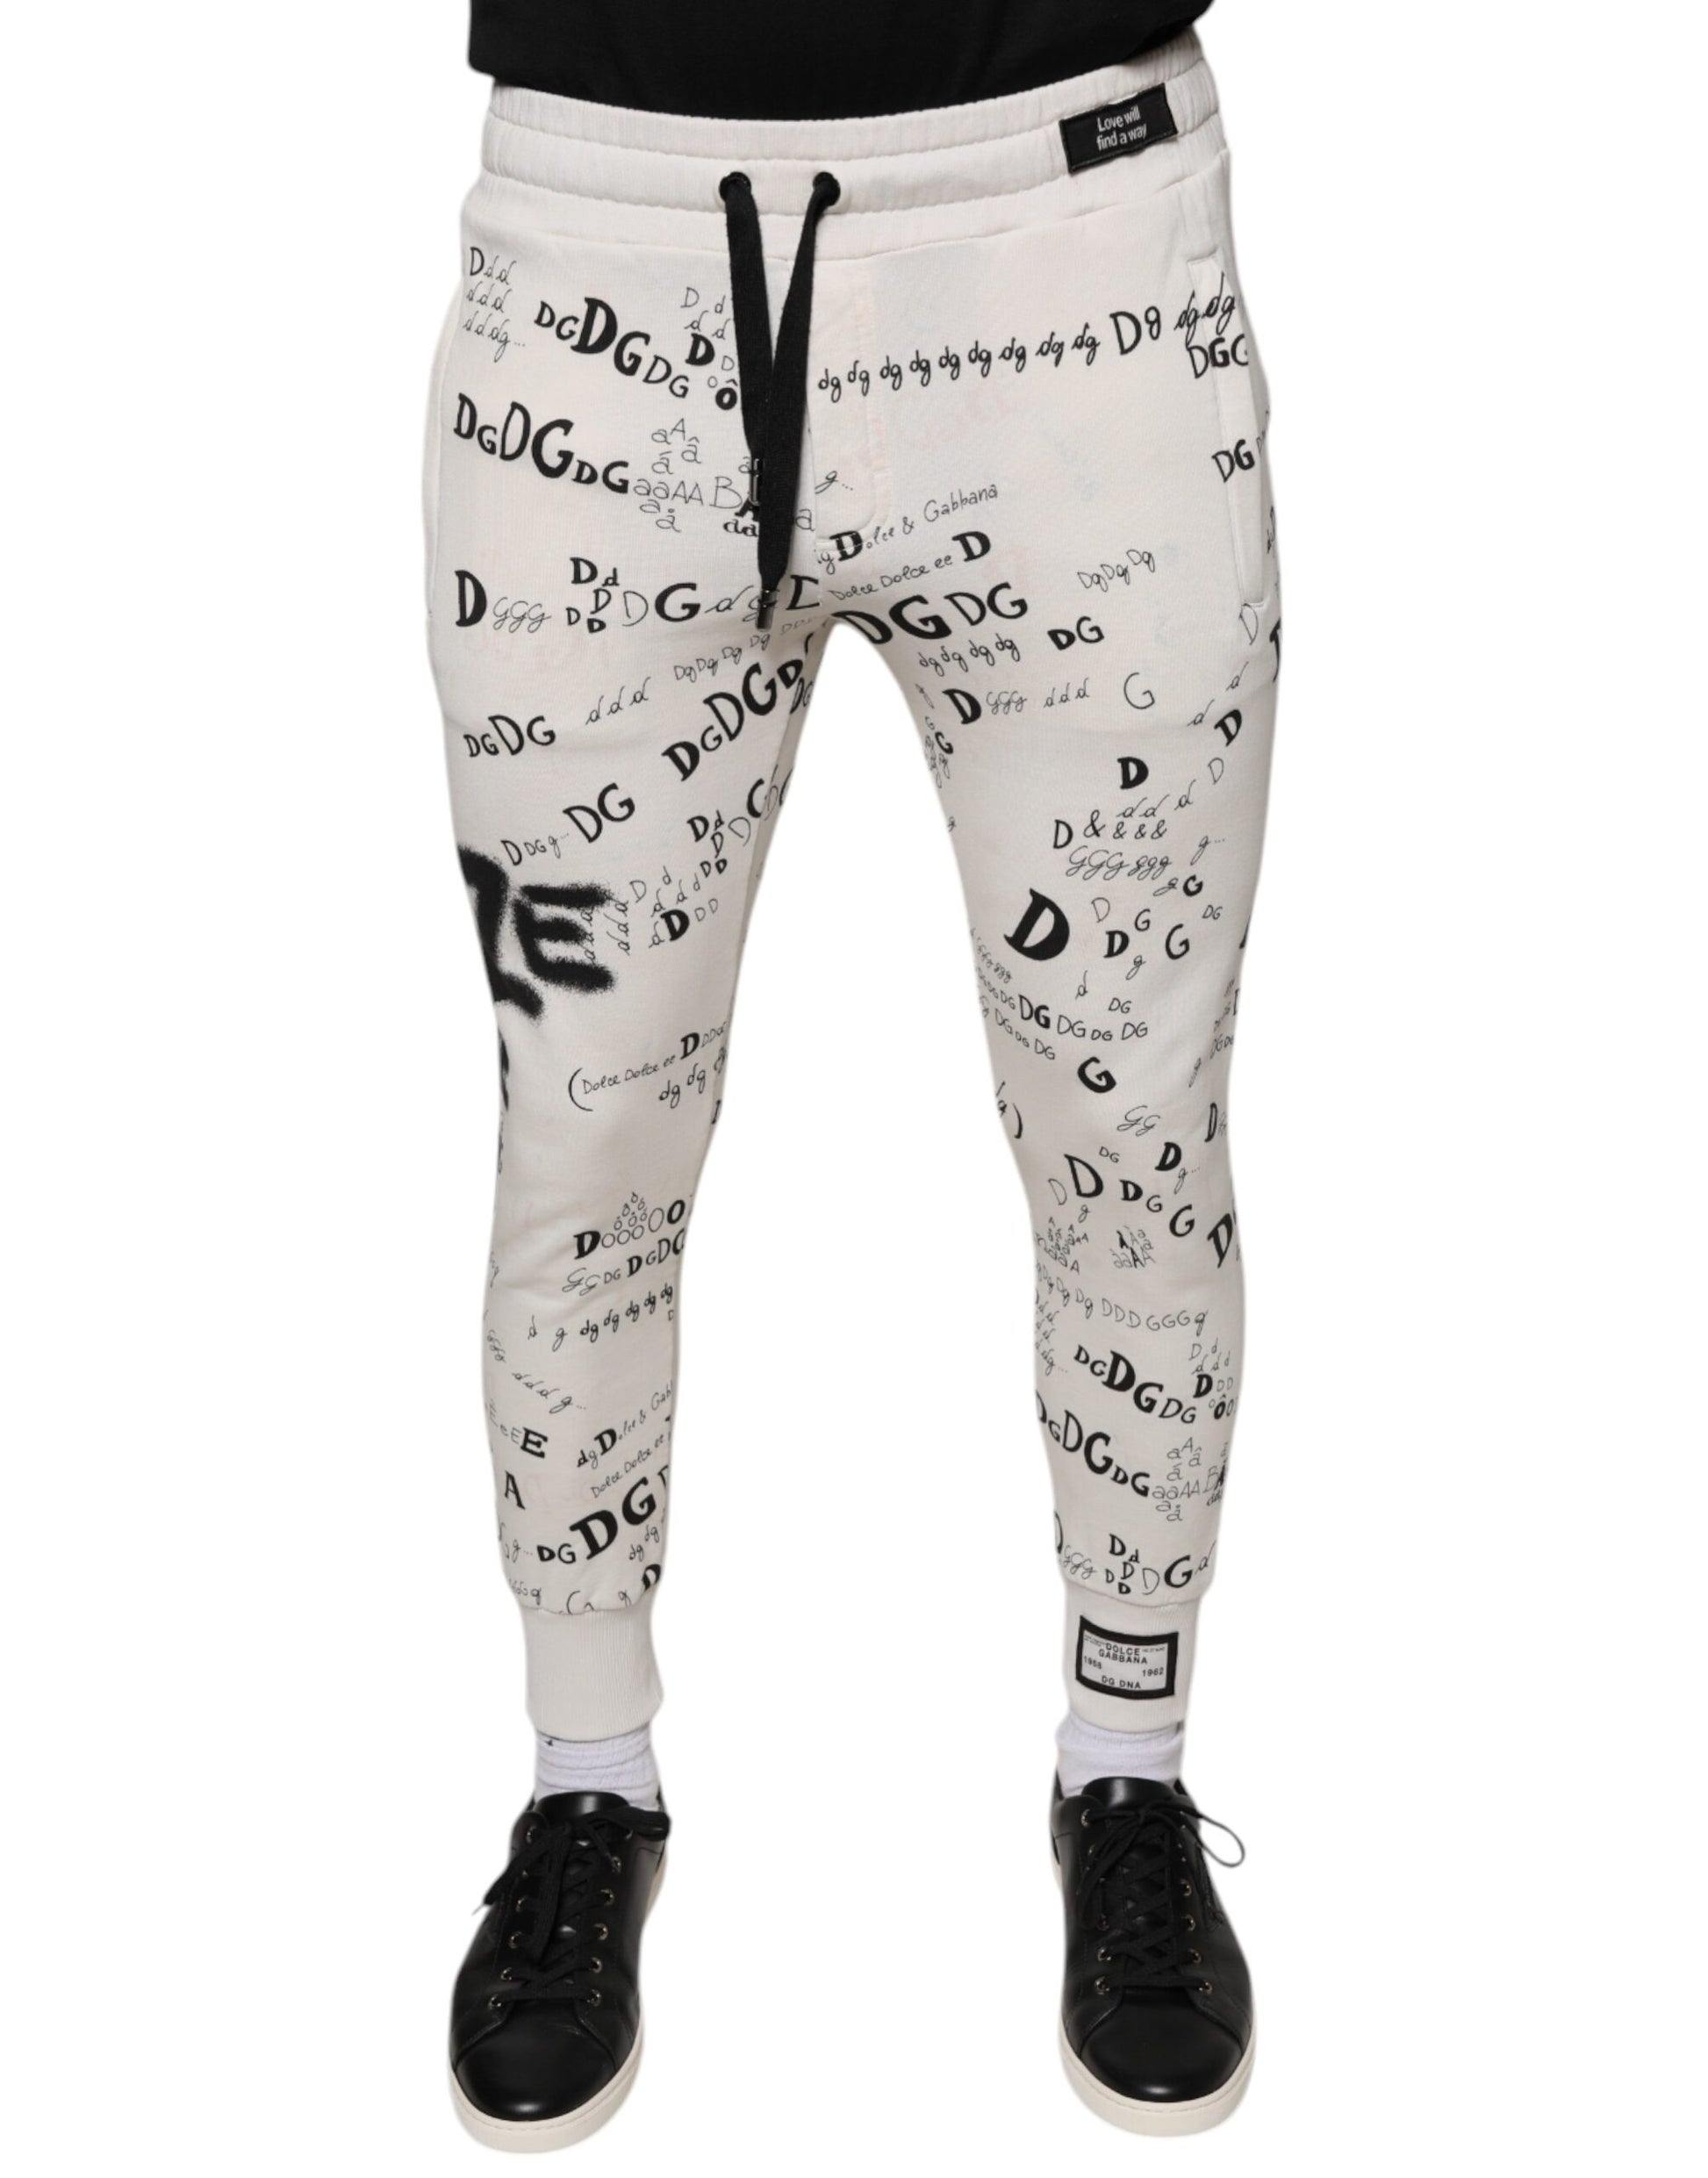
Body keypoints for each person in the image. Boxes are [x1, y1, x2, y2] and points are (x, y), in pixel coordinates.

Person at [427, 0, 1277, 2147]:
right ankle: (586, 1778)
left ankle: (1127, 1760)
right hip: (603, 244)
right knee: (587, 1122)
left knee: (1127, 1120)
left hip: (1068, 244)